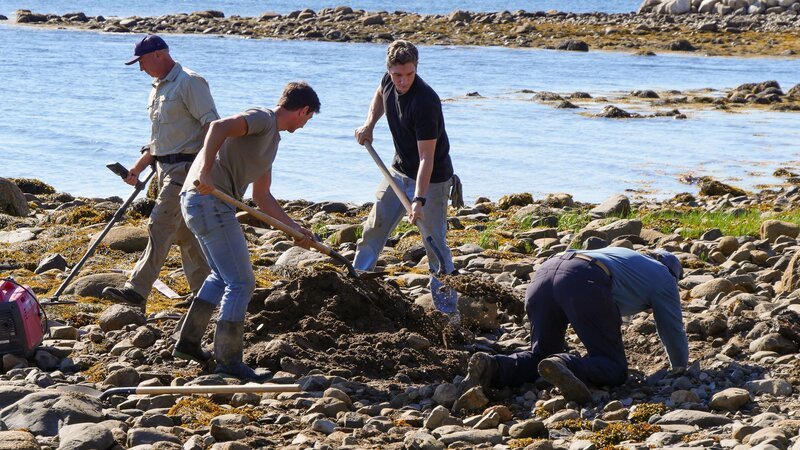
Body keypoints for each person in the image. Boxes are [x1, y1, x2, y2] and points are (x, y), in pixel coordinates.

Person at [175, 81, 319, 380]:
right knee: (241, 283)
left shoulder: (272, 142)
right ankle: (228, 360)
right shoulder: (263, 119)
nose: (306, 125)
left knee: (220, 277)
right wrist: (203, 172)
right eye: (309, 117)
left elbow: (262, 196)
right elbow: (217, 127)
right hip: (207, 200)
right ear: (303, 110)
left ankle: (188, 344)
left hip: (205, 204)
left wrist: (295, 229)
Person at [461, 247, 688, 403]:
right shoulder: (664, 277)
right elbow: (672, 328)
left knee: (541, 355)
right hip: (582, 279)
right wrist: (680, 369)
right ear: (673, 273)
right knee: (614, 367)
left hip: (544, 274)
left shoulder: (629, 259)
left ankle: (494, 367)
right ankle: (565, 364)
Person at [104, 35, 216, 309]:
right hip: (164, 168)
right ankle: (205, 294)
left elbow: (212, 125)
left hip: (187, 168)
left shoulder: (190, 82)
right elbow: (158, 140)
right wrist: (136, 168)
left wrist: (205, 168)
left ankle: (136, 290)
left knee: (159, 224)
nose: (140, 69)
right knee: (184, 233)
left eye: (141, 61)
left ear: (158, 54)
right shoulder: (158, 89)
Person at [354, 40, 459, 322]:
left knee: (435, 244)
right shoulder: (388, 82)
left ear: (416, 69)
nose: (402, 81)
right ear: (389, 70)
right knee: (373, 228)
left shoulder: (425, 102)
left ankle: (448, 312)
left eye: (409, 74)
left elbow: (427, 158)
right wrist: (369, 124)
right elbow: (379, 97)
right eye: (397, 75)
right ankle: (356, 284)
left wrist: (419, 200)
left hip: (432, 180)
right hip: (398, 172)